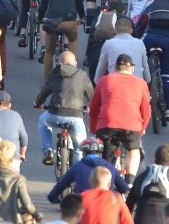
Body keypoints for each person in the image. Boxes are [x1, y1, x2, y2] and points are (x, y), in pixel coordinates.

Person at [89, 53, 151, 184]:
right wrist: (143, 128)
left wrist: (94, 128)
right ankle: (130, 181)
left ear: (115, 68)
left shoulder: (104, 80)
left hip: (107, 124)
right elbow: (146, 110)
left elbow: (94, 107)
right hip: (132, 126)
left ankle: (104, 182)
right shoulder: (141, 83)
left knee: (106, 154)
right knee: (133, 150)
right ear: (132, 69)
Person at [35, 50, 93, 165]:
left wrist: (38, 103)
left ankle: (48, 151)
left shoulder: (54, 74)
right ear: (75, 63)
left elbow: (44, 92)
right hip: (76, 116)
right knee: (79, 149)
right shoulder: (82, 75)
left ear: (59, 63)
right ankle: (77, 177)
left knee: (42, 121)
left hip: (55, 114)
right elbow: (92, 95)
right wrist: (90, 107)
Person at [36, 0, 84, 79]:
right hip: (70, 22)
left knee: (49, 52)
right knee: (73, 40)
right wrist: (81, 17)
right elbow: (79, 4)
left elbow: (43, 5)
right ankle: (72, 72)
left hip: (53, 23)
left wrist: (40, 18)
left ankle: (47, 79)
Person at [47, 136, 129, 203]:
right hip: (105, 206)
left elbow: (61, 184)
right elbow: (124, 188)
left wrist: (52, 198)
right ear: (100, 153)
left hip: (83, 208)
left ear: (83, 153)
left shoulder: (77, 167)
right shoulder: (110, 167)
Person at [94, 15, 151, 83]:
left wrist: (97, 82)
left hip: (115, 85)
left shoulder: (108, 44)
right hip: (136, 85)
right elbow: (145, 67)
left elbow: (101, 68)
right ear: (131, 31)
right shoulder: (140, 43)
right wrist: (148, 80)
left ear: (115, 30)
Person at [0, 90, 29, 168]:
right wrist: (22, 154)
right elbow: (24, 138)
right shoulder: (16, 115)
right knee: (14, 179)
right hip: (12, 158)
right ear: (9, 105)